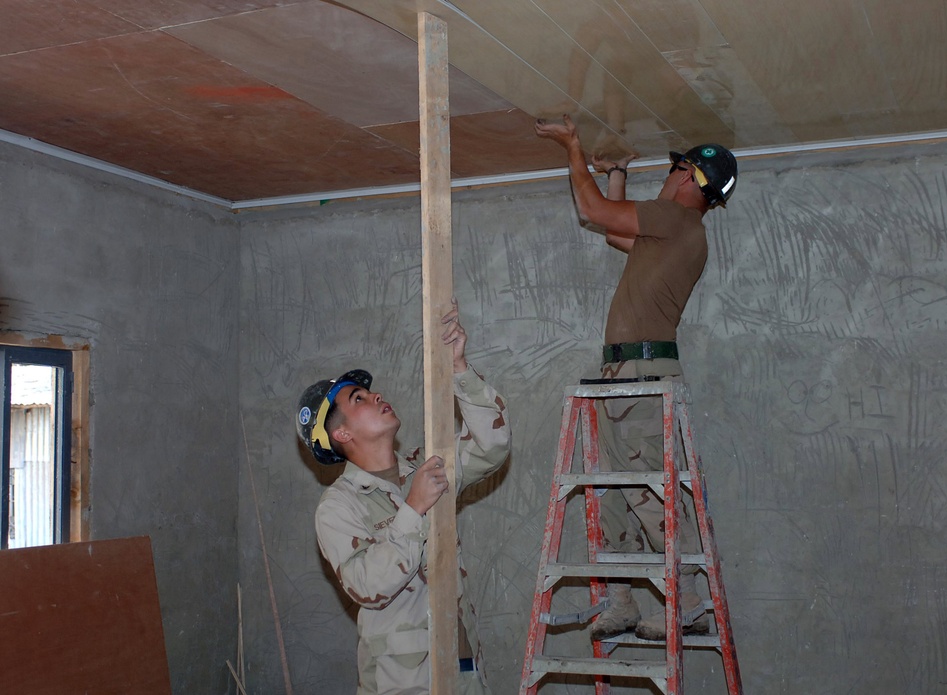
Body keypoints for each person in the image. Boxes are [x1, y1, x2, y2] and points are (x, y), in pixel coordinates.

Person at [535, 114, 737, 642]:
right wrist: (618, 173)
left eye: (676, 168)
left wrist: (573, 147)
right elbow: (613, 231)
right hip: (626, 374)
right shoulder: (675, 234)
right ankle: (622, 598)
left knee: (648, 487)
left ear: (691, 179)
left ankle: (688, 597)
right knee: (616, 488)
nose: (668, 177)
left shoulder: (677, 223)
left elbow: (592, 210)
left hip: (642, 375)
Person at [295, 300, 511, 695]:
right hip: (404, 683)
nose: (375, 396)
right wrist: (412, 509)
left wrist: (459, 368)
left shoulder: (424, 467)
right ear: (341, 434)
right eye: (358, 399)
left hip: (463, 668)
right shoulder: (338, 506)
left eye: (369, 391)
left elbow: (492, 445)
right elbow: (365, 586)